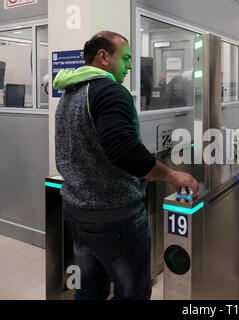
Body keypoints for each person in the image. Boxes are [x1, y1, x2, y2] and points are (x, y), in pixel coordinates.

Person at [53, 31, 199, 300]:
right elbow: (125, 152)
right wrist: (171, 175)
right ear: (104, 56)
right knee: (132, 291)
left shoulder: (69, 93)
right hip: (115, 216)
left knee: (89, 289)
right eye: (126, 58)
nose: (130, 66)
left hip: (77, 209)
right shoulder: (109, 91)